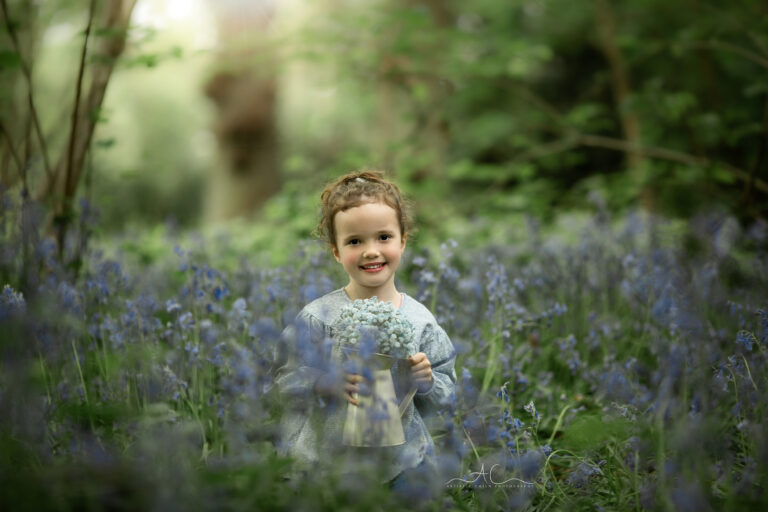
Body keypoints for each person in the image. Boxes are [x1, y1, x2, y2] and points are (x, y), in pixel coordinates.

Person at [275, 170, 456, 502]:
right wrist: (324, 381)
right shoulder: (319, 316)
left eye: (384, 237)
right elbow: (282, 381)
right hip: (325, 465)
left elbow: (446, 396)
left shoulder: (420, 321)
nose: (371, 251)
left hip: (400, 462)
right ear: (336, 251)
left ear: (403, 240)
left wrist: (427, 381)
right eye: (355, 241)